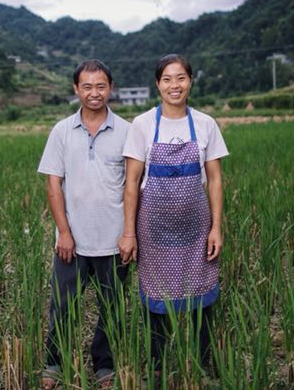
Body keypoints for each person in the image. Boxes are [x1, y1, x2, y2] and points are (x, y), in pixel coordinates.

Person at [119, 53, 228, 373]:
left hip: (197, 231)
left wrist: (216, 228)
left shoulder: (206, 124)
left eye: (180, 78)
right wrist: (129, 233)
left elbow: (216, 179)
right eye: (167, 79)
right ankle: (157, 367)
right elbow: (132, 182)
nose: (174, 85)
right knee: (157, 301)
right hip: (153, 232)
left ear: (190, 81)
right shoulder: (142, 124)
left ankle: (205, 365)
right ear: (158, 85)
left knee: (201, 299)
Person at [38, 59, 131, 389]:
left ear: (111, 88)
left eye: (101, 86)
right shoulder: (62, 131)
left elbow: (134, 186)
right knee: (62, 307)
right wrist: (64, 232)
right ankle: (54, 363)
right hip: (72, 242)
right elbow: (53, 185)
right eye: (87, 86)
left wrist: (129, 234)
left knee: (112, 309)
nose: (95, 92)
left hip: (114, 240)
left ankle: (104, 365)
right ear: (76, 89)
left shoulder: (127, 131)